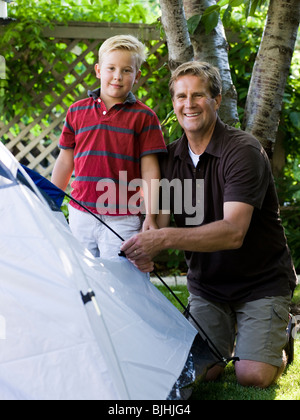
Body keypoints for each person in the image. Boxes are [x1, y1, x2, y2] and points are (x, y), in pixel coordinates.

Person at [121, 61, 298, 388]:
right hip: (208, 287)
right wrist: (145, 244)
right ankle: (234, 336)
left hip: (261, 282)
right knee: (206, 370)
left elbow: (233, 232)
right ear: (174, 104)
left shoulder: (242, 151)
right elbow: (157, 224)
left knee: (252, 375)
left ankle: (280, 338)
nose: (189, 104)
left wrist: (163, 239)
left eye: (198, 95)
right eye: (181, 96)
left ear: (216, 100)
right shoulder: (170, 158)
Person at [52, 35, 167, 259]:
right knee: (84, 280)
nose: (117, 76)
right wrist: (51, 201)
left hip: (123, 217)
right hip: (80, 214)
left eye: (126, 70)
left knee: (122, 281)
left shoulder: (145, 117)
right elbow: (65, 161)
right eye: (111, 68)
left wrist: (151, 217)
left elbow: (150, 171)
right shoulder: (76, 111)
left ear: (137, 76)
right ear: (98, 70)